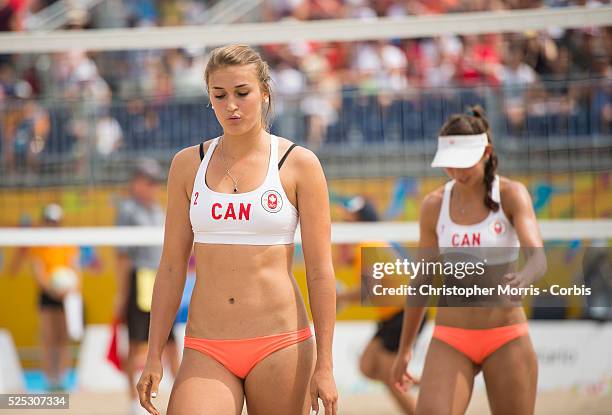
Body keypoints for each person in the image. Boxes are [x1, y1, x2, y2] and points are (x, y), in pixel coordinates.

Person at [136, 44, 338, 415]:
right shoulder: (187, 164)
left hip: (281, 343)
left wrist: (325, 364)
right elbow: (170, 267)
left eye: (242, 93)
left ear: (264, 93)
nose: (231, 105)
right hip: (206, 346)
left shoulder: (299, 164)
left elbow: (321, 272)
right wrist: (153, 355)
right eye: (220, 95)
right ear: (209, 99)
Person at [391, 106, 546, 414]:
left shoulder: (512, 194)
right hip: (451, 337)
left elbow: (538, 258)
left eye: (465, 164)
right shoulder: (434, 205)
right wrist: (405, 349)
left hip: (506, 335)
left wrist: (524, 278)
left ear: (486, 152)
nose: (457, 173)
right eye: (449, 165)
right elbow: (422, 280)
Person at [336, 196, 421, 415]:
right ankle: (421, 380)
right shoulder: (372, 244)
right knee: (368, 365)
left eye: (350, 219)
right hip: (395, 313)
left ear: (361, 222)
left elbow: (369, 290)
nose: (345, 223)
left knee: (388, 374)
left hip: (405, 312)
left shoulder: (370, 244)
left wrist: (341, 297)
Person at [113, 158, 180, 415]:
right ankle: (133, 400)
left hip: (161, 282)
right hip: (138, 280)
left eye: (155, 182)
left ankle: (178, 393)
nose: (153, 186)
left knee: (171, 342)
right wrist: (121, 293)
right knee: (135, 343)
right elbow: (122, 256)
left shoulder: (157, 211)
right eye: (148, 181)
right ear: (136, 182)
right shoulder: (128, 210)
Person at [29, 203, 80, 391]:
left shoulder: (67, 242)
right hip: (48, 295)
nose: (52, 224)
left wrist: (69, 288)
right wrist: (53, 290)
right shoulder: (39, 244)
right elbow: (39, 273)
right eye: (49, 221)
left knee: (63, 338)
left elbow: (75, 269)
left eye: (55, 221)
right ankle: (50, 379)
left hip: (66, 294)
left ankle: (62, 379)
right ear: (44, 222)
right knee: (49, 339)